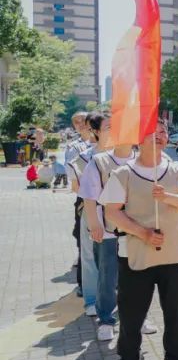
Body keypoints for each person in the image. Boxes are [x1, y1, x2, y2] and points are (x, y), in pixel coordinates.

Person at [102, 119, 178, 360]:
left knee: (176, 312)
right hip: (135, 256)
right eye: (151, 132)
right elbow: (112, 212)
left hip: (172, 254)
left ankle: (177, 357)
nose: (159, 135)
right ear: (137, 138)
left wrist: (166, 196)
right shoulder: (123, 174)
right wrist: (142, 233)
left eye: (163, 131)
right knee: (131, 315)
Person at [79, 112, 139, 342]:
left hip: (137, 229)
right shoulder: (100, 161)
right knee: (108, 275)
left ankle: (138, 316)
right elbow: (89, 196)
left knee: (138, 275)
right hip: (108, 230)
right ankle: (106, 319)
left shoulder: (142, 160)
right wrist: (94, 224)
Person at [66, 112, 93, 300]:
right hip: (85, 199)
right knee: (84, 243)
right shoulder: (74, 147)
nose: (81, 124)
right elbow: (74, 180)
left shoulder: (102, 142)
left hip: (105, 200)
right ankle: (84, 284)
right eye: (76, 122)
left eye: (83, 120)